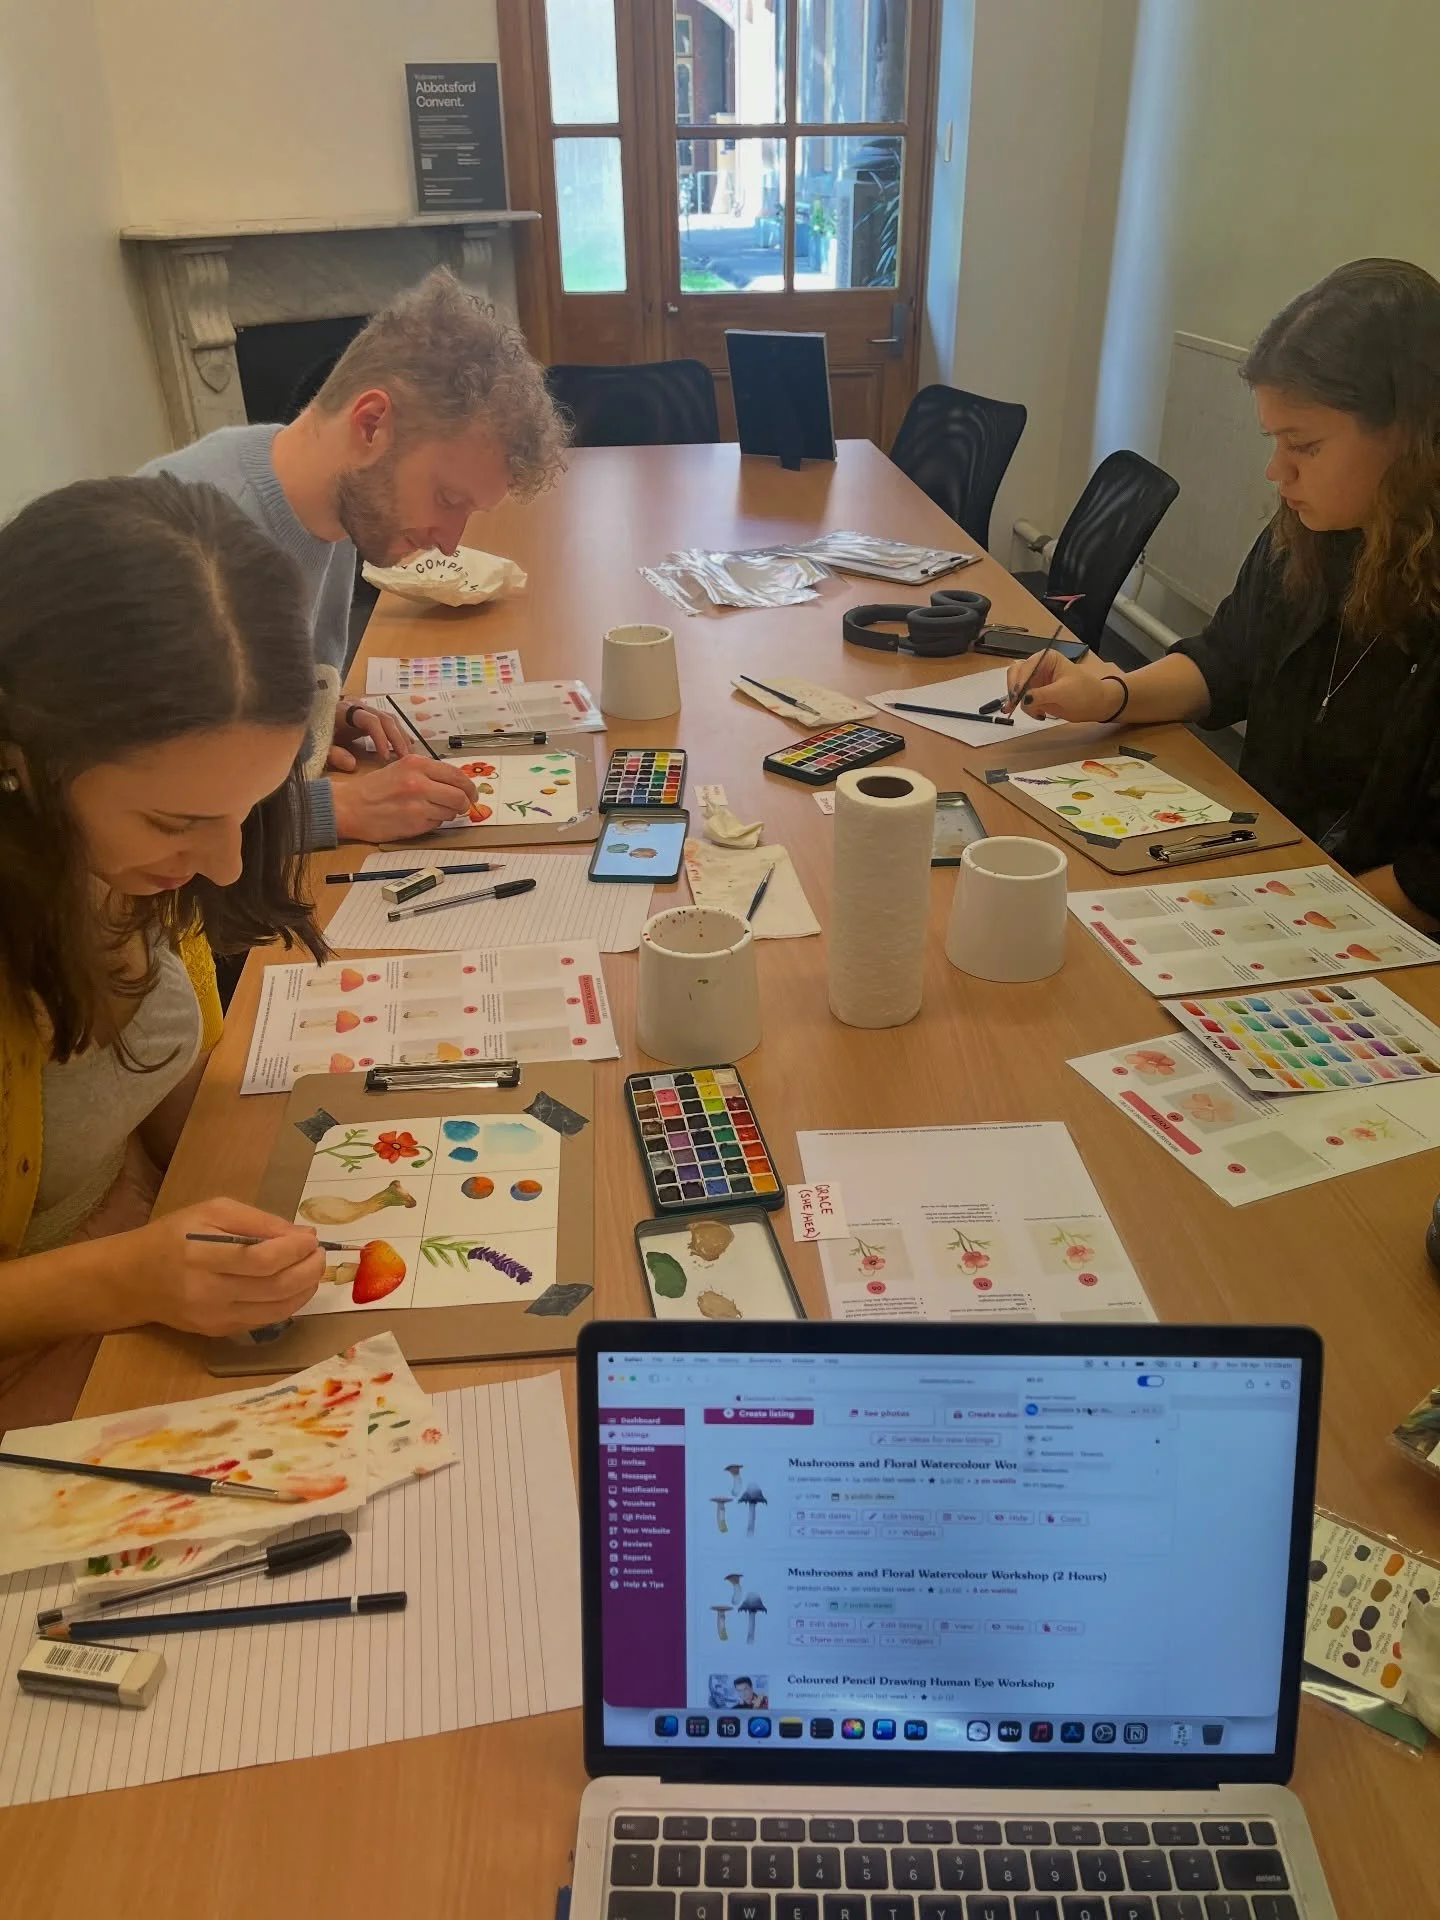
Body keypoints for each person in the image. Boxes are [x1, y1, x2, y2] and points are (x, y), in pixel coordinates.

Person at [0, 475, 330, 1414]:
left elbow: (157, 1085)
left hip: (137, 1260)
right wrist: (127, 1278)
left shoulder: (125, 858)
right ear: (18, 762)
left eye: (250, 808)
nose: (225, 866)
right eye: (175, 821)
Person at [1008, 257, 1440, 929]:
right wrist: (1109, 694)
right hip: (1279, 871)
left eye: (1304, 446)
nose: (1276, 471)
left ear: (1412, 437)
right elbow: (1228, 660)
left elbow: (1432, 876)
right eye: (1274, 441)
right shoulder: (1312, 534)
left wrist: (1300, 913)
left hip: (1383, 929)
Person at [141, 268, 568, 849]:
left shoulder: (336, 506)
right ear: (370, 425)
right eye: (447, 499)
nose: (450, 541)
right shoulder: (195, 552)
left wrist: (317, 718)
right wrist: (338, 809)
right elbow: (156, 816)